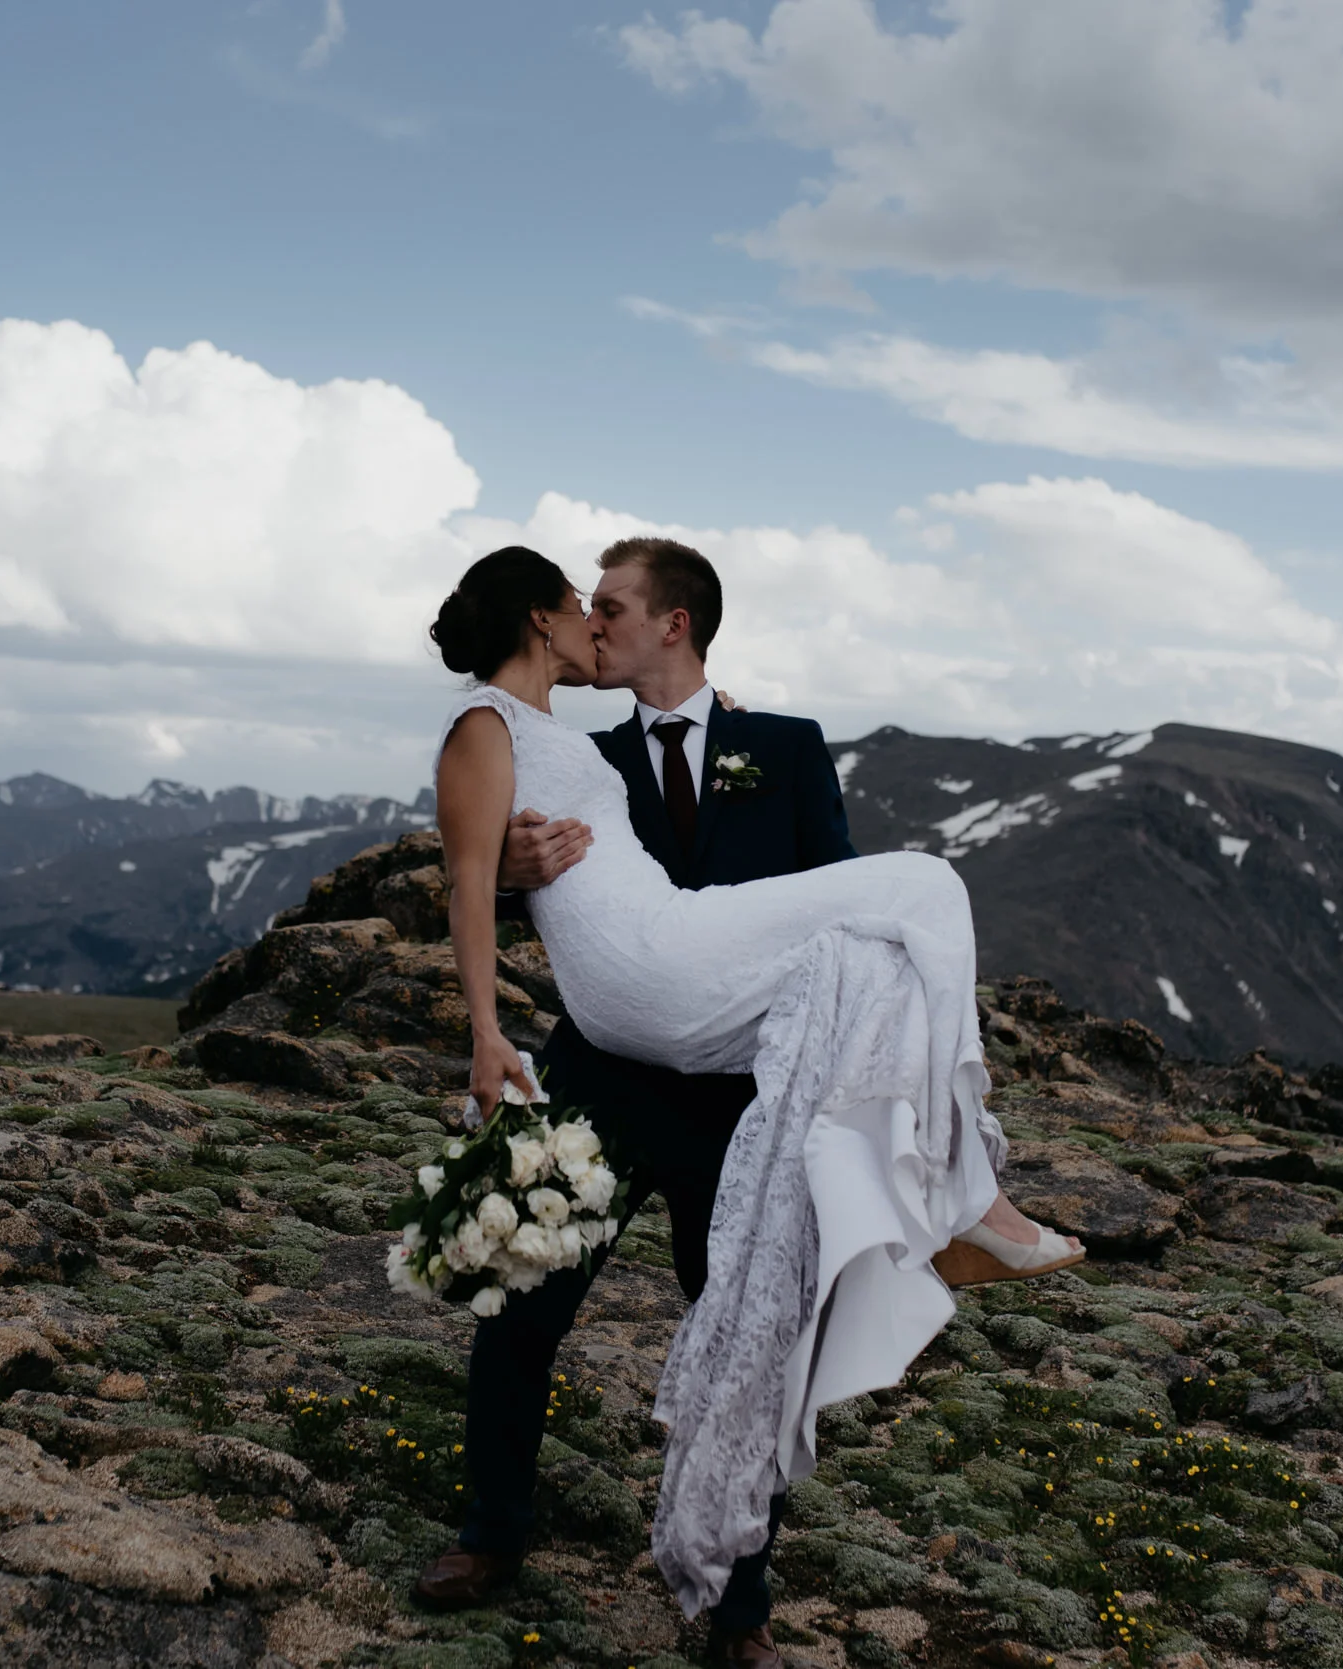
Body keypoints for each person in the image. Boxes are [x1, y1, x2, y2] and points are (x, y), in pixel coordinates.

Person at [419, 544, 1079, 1656]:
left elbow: (839, 894)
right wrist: (514, 869)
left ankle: (738, 1606)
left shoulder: (782, 745)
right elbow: (473, 844)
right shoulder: (571, 745)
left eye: (616, 604)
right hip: (602, 1067)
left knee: (758, 1325)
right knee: (518, 1301)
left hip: (738, 1086)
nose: (600, 621)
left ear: (673, 624)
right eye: (588, 606)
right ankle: (490, 1531)